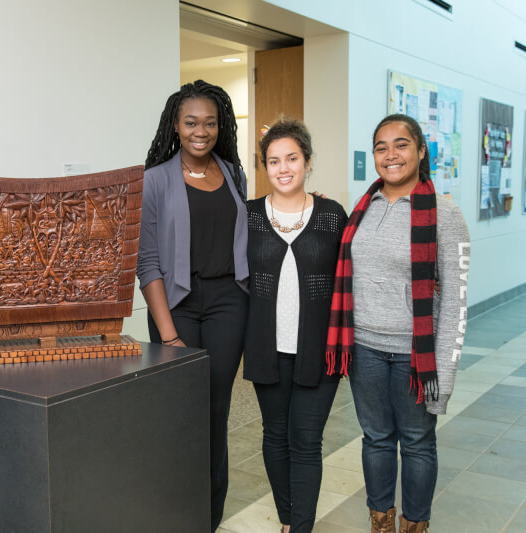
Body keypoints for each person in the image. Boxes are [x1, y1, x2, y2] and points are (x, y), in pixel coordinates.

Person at [326, 114, 470, 533]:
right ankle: (381, 522)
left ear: (421, 151)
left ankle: (414, 525)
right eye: (381, 147)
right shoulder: (362, 208)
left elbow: (456, 301)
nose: (391, 155)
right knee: (376, 439)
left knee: (418, 442)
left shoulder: (445, 215)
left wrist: (444, 375)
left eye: (402, 144)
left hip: (415, 356)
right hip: (364, 348)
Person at [137, 79, 248, 531]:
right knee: (180, 413)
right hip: (176, 305)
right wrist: (168, 336)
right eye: (190, 122)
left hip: (228, 304)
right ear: (175, 126)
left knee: (216, 411)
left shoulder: (233, 173)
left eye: (210, 122)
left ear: (221, 126)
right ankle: (176, 514)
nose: (201, 131)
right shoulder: (154, 180)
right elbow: (147, 262)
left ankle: (209, 518)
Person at [243, 119, 347, 533]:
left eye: (291, 158)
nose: (283, 168)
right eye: (274, 161)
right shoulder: (248, 215)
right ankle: (288, 520)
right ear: (264, 166)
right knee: (275, 436)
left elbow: (350, 277)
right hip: (266, 347)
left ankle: (300, 527)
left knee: (306, 440)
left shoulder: (332, 216)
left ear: (307, 161)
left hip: (318, 350)